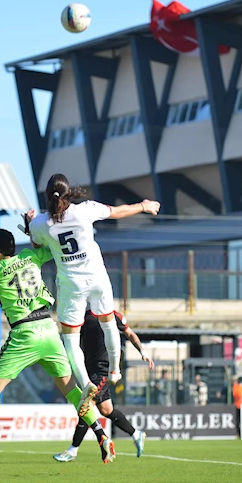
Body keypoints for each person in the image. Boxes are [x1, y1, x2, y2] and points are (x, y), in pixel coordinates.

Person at [0, 196, 116, 463]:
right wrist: (33, 229)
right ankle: (101, 436)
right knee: (72, 390)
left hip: (24, 333)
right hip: (49, 330)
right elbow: (54, 247)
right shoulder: (30, 257)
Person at [27, 173, 160, 414]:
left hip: (71, 285)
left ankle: (86, 384)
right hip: (97, 277)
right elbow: (118, 212)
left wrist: (29, 223)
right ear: (69, 193)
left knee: (70, 338)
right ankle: (115, 371)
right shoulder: (85, 210)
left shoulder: (40, 223)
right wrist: (144, 205)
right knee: (108, 323)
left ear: (47, 196)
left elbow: (37, 244)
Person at [53, 310, 154, 462]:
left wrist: (143, 351)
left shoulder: (113, 315)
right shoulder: (82, 316)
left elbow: (130, 333)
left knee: (86, 406)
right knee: (107, 410)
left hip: (104, 370)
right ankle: (135, 434)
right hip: (88, 369)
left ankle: (73, 450)